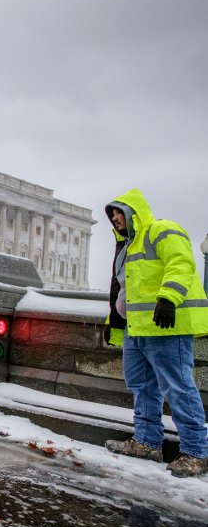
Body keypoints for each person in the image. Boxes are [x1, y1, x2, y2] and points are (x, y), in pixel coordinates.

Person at [102, 189, 208, 478]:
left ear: (133, 212)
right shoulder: (129, 246)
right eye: (111, 213)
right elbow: (125, 290)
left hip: (166, 327)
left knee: (178, 386)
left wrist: (168, 298)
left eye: (118, 211)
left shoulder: (162, 229)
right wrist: (114, 322)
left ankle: (197, 451)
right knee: (142, 386)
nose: (114, 217)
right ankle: (147, 442)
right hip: (137, 329)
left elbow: (181, 263)